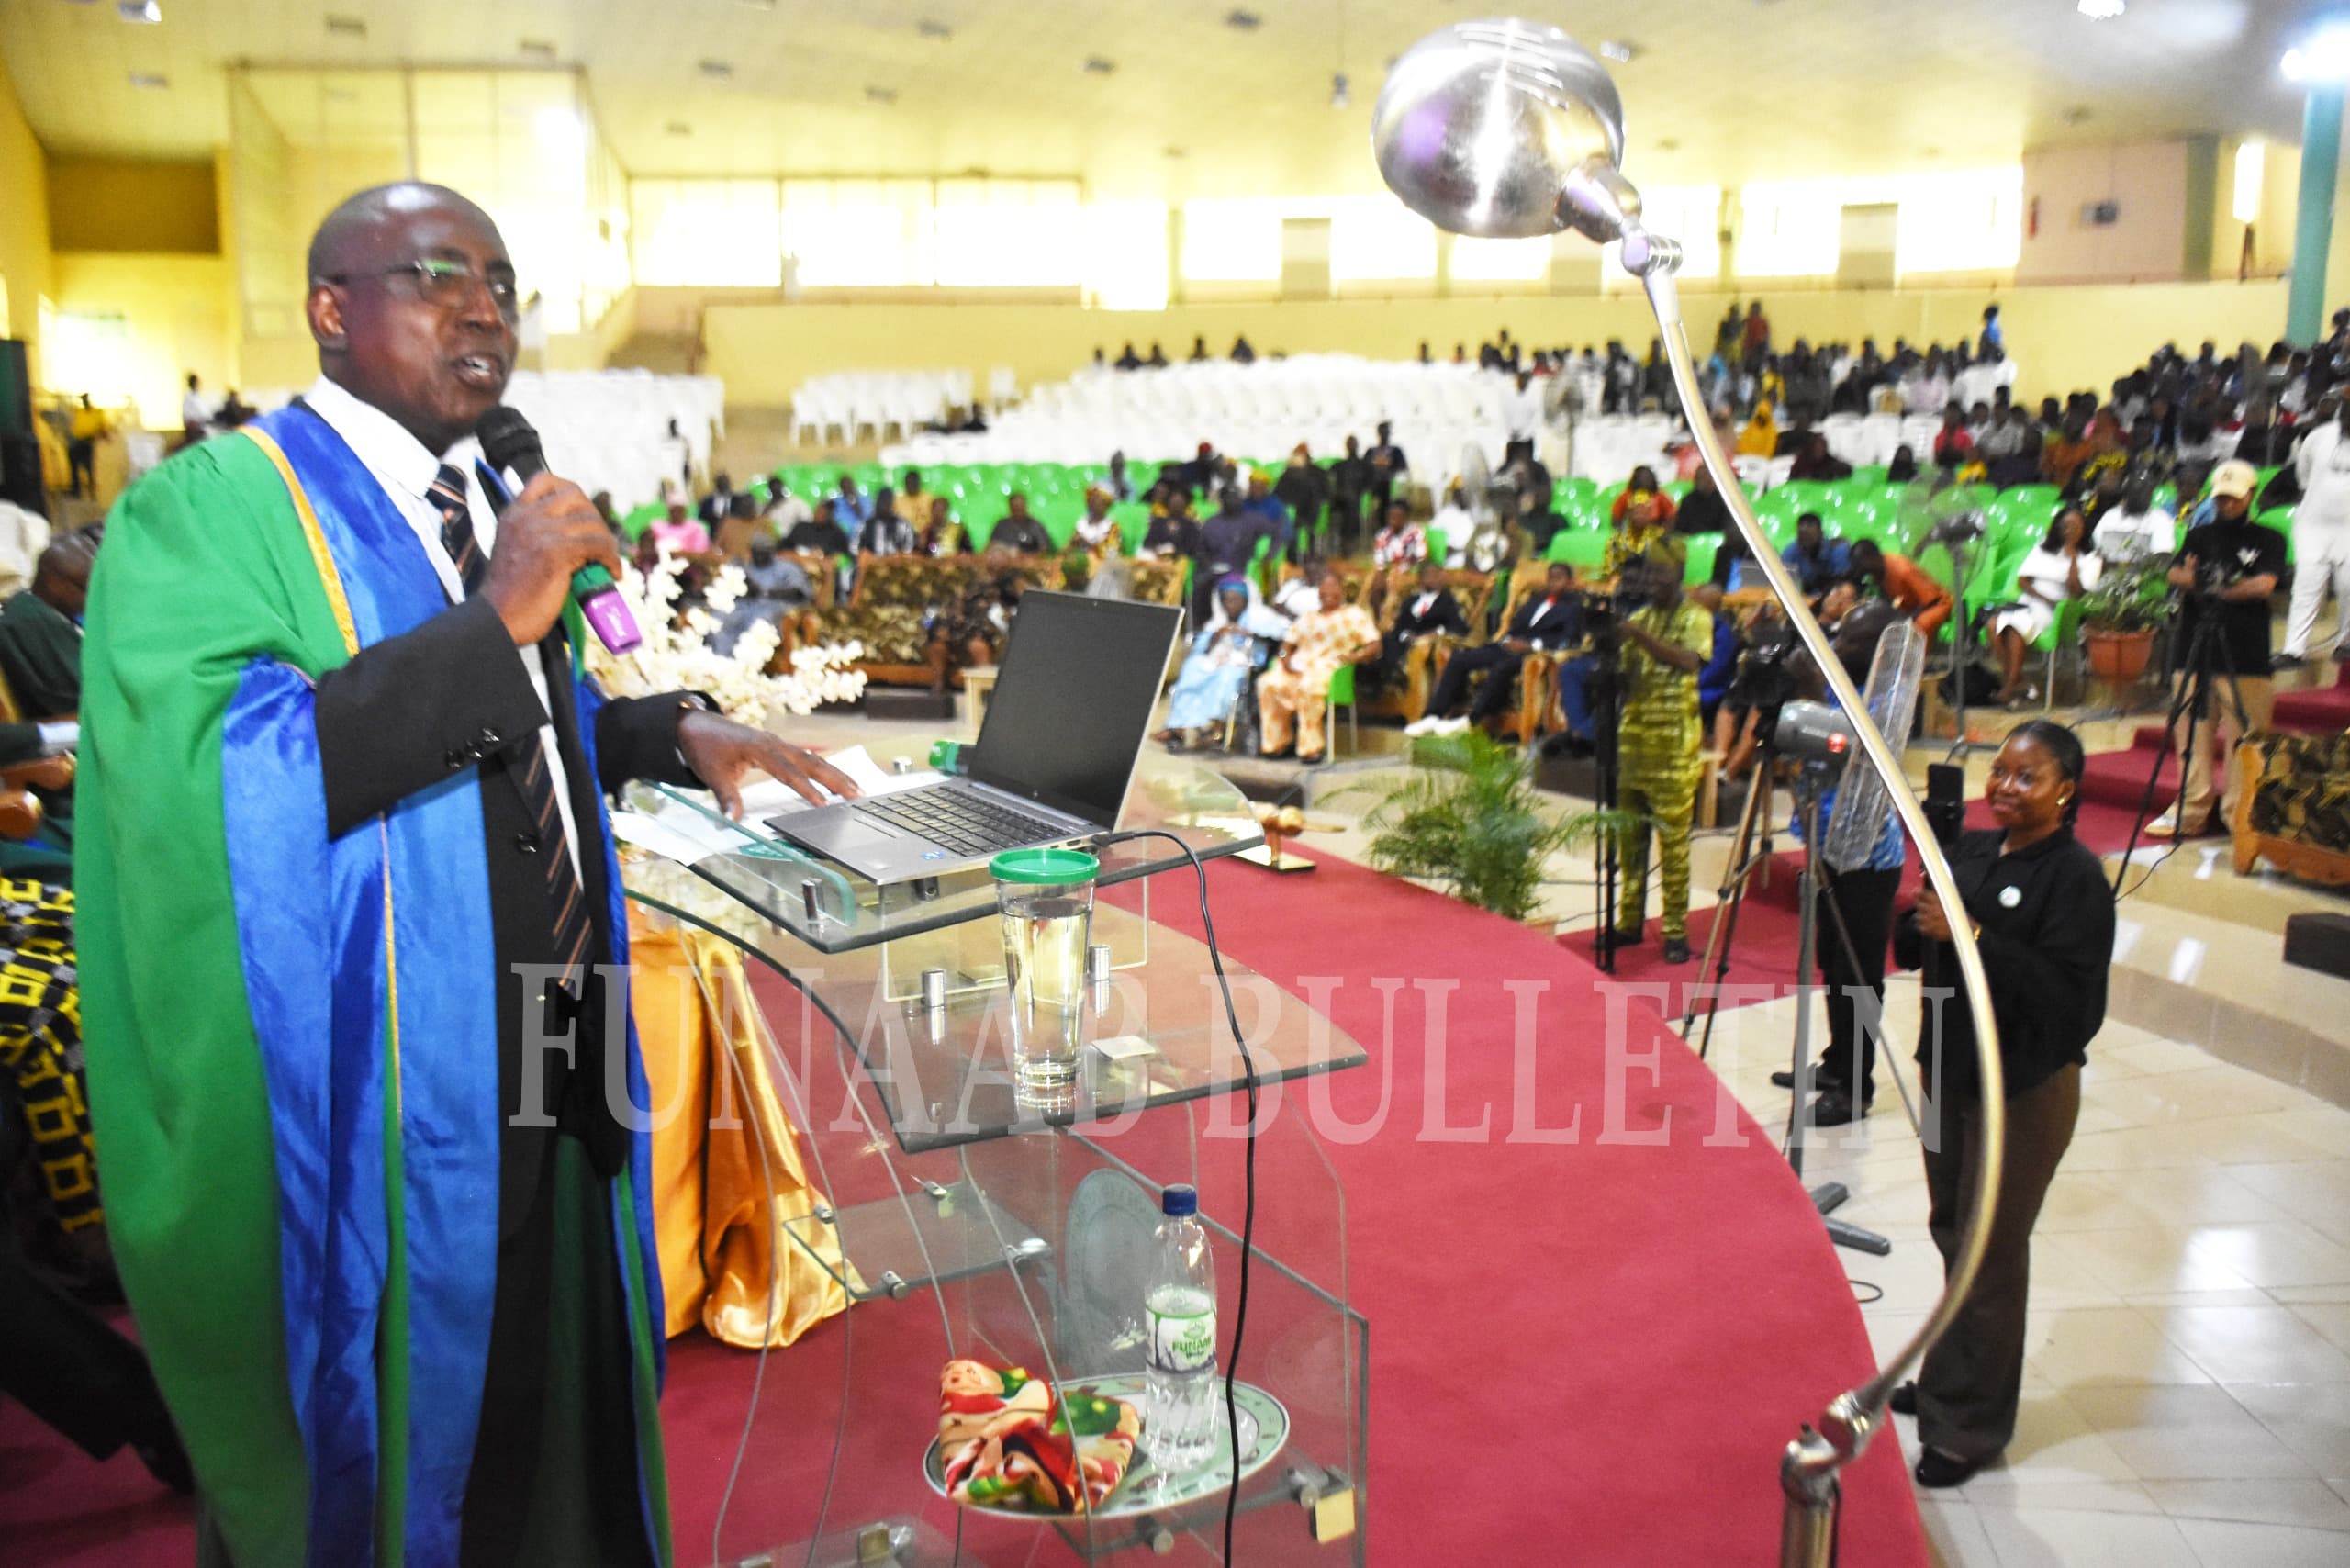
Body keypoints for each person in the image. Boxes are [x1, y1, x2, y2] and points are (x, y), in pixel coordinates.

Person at [77, 180, 859, 1567]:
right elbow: (217, 790)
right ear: (330, 310)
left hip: (565, 1014)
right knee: (428, 1417)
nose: (484, 308)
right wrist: (498, 616)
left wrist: (664, 730)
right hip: (403, 1072)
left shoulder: (485, 494)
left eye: (500, 282)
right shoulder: (211, 511)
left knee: (560, 1384)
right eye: (437, 275)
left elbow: (519, 728)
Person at [1891, 720, 2113, 1489]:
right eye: (2001, 772)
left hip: (2021, 1085)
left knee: (1990, 1249)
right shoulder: (1975, 850)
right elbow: (1912, 947)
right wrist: (1920, 916)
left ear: (2066, 790)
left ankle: (1969, 1428)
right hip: (1945, 1071)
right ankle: (1952, 1379)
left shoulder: (2075, 878)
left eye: (2028, 776)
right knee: (1952, 1229)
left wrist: (1972, 932)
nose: (2006, 787)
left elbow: (2068, 1004)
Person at [1768, 600, 1909, 1125]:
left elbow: (1846, 747)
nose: (1836, 645)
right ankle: (1836, 1064)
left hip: (1866, 858)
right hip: (1826, 846)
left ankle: (1855, 1089)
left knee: (1858, 973)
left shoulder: (1888, 697)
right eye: (1839, 634)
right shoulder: (1841, 682)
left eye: (1850, 639)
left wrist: (1809, 690)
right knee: (1832, 960)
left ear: (1877, 650)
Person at [2150, 460, 2281, 836]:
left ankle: (2240, 814)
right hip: (2194, 647)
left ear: (2251, 495)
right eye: (2221, 498)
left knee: (2247, 737)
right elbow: (2175, 573)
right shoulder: (2198, 535)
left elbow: (2263, 585)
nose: (2227, 504)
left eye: (2234, 498)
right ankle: (2190, 809)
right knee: (2191, 733)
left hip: (2246, 653)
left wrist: (2209, 586)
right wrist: (2222, 586)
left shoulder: (2269, 539)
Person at [1610, 543, 1715, 963]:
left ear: (1680, 573)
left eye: (1660, 574)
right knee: (1630, 841)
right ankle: (1628, 922)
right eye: (1649, 573)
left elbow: (1689, 661)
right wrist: (1607, 650)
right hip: (1634, 742)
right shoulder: (1638, 618)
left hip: (1674, 747)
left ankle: (1675, 930)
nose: (1652, 581)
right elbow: (1624, 678)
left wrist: (1639, 638)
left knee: (1673, 845)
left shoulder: (1697, 617)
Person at [1408, 562, 1582, 738]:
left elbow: (1569, 638)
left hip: (1533, 653)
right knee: (1459, 659)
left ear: (1570, 582)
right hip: (1509, 645)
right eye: (1550, 579)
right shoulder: (1536, 599)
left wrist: (1532, 645)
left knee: (1502, 668)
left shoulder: (1574, 607)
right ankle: (1433, 715)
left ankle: (1472, 720)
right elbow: (1515, 623)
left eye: (1559, 579)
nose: (1553, 583)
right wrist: (1508, 639)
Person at [1254, 572, 1379, 764]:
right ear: (1318, 593)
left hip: (1330, 668)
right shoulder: (1307, 617)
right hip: (1298, 667)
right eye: (1324, 588)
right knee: (1268, 683)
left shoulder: (1354, 614)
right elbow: (1287, 644)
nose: (1329, 593)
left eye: (1334, 587)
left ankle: (1310, 748)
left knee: (1308, 686)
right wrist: (1284, 659)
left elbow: (1374, 645)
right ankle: (1277, 744)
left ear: (1342, 591)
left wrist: (1355, 656)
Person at [1987, 508, 2100, 707]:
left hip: (2057, 610)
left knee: (2014, 627)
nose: (2070, 530)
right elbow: (2022, 580)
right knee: (1993, 625)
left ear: (2084, 529)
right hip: (2031, 602)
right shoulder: (2043, 549)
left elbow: (2077, 592)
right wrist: (2041, 597)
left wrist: (2072, 557)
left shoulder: (2090, 559)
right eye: (2066, 525)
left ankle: (2010, 686)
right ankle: (2017, 682)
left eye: (2076, 526)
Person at [1157, 576, 1285, 749]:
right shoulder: (1218, 621)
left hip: (1244, 665)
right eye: (1226, 600)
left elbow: (1276, 637)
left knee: (1227, 676)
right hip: (1218, 661)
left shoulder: (1260, 617)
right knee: (1192, 667)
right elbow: (1201, 648)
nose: (1229, 604)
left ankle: (1218, 727)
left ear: (1245, 600)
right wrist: (1218, 635)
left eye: (1235, 599)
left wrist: (1247, 633)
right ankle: (1178, 727)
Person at [2284, 398, 2350, 666]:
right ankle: (2293, 650)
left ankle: (2345, 643)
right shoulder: (2318, 437)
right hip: (2314, 525)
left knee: (2348, 586)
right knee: (2305, 586)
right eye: (2345, 415)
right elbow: (2303, 475)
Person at [0, 528, 93, 719]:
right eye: (86, 589)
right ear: (56, 585)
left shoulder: (53, 612)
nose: (93, 599)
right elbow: (78, 690)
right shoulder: (30, 622)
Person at [1378, 559, 1472, 690]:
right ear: (1421, 579)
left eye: (1436, 575)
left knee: (1424, 650)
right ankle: (1391, 678)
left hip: (1429, 643)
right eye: (1428, 576)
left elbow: (1461, 628)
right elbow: (1400, 626)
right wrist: (1406, 636)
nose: (1433, 579)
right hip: (1407, 642)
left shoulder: (1447, 602)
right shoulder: (1411, 601)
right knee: (1385, 640)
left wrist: (1437, 633)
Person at [1848, 538, 1953, 636]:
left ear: (1872, 557)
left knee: (1915, 629)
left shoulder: (1902, 570)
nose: (1861, 571)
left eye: (1861, 566)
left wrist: (1905, 619)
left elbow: (1931, 601)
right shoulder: (1879, 573)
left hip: (1937, 605)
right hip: (1910, 608)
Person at [2089, 473, 2176, 566]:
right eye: (2137, 491)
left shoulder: (2161, 518)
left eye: (2146, 492)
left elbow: (2162, 557)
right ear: (2126, 493)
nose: (2141, 496)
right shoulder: (2111, 516)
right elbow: (2098, 551)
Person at [1780, 512, 1851, 599]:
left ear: (1821, 533)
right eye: (1801, 538)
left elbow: (1843, 587)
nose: (1805, 544)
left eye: (1809, 538)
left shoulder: (1839, 551)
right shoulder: (1791, 551)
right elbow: (1783, 582)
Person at [1273, 444, 1329, 546]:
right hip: (1308, 516)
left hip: (1294, 518)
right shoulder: (1314, 477)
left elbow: (1276, 497)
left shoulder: (1285, 478)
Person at [1326, 435, 1371, 554]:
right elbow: (1327, 475)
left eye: (1353, 444)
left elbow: (1369, 484)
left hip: (1355, 497)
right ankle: (1332, 542)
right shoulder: (1340, 465)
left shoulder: (1364, 465)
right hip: (1339, 497)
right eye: (1349, 444)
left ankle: (1348, 542)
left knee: (1351, 505)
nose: (1351, 446)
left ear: (1357, 445)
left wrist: (1357, 491)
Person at [712, 492, 773, 565]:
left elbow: (770, 548)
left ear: (755, 507)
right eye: (744, 506)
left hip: (755, 565)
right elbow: (717, 546)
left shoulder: (763, 523)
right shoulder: (728, 522)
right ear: (739, 507)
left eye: (749, 506)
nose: (746, 509)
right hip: (729, 564)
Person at [984, 492, 1052, 555]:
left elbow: (1044, 550)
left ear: (1025, 507)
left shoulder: (1036, 526)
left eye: (1020, 508)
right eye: (1015, 509)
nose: (1018, 512)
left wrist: (1025, 557)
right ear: (1010, 508)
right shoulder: (1001, 526)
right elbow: (989, 546)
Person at [1365, 421, 1410, 519]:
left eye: (1386, 432)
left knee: (1387, 504)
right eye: (1382, 432)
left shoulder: (1396, 451)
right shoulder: (1371, 451)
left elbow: (1403, 468)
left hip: (1389, 485)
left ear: (1389, 433)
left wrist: (1391, 472)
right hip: (1373, 486)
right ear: (1378, 433)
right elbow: (1363, 468)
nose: (1384, 435)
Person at [1674, 464, 1733, 536]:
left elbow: (1726, 528)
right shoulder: (1688, 500)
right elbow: (1680, 528)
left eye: (1704, 477)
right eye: (1699, 477)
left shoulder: (1722, 501)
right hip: (1691, 539)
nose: (1701, 481)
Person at [66, 395, 107, 498]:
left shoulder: (96, 413)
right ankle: (76, 490)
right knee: (74, 464)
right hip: (78, 441)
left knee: (89, 467)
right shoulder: (78, 412)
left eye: (86, 400)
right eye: (83, 401)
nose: (85, 402)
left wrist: (105, 436)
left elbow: (102, 427)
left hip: (89, 442)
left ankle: (92, 491)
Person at [1371, 498, 1428, 570]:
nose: (1393, 520)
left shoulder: (1416, 532)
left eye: (1397, 516)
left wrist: (1410, 562)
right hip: (1390, 571)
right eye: (1391, 516)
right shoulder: (1382, 535)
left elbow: (1422, 555)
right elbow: (1379, 558)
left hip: (1412, 570)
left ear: (1406, 518)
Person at [783, 496, 853, 556]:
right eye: (819, 510)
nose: (819, 514)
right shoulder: (801, 528)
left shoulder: (837, 535)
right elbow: (784, 548)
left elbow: (843, 556)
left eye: (824, 512)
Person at [648, 498, 712, 555]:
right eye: (674, 510)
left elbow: (700, 551)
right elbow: (647, 547)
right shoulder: (657, 526)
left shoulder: (696, 528)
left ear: (685, 510)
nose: (676, 513)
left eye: (680, 510)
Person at [1072, 487, 1122, 555]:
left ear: (1106, 505)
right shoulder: (1082, 523)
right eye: (1091, 499)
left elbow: (1112, 554)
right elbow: (1068, 550)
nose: (1092, 502)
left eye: (1096, 500)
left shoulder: (1111, 527)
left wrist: (1090, 545)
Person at [1788, 431, 1852, 482]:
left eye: (1823, 447)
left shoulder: (1827, 460)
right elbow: (1794, 480)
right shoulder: (1802, 462)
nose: (1821, 450)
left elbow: (1844, 468)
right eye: (1818, 447)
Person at [179, 373, 213, 447]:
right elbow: (187, 415)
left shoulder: (198, 396)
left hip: (202, 425)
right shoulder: (188, 397)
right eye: (197, 382)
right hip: (194, 428)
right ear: (192, 383)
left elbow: (204, 413)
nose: (198, 385)